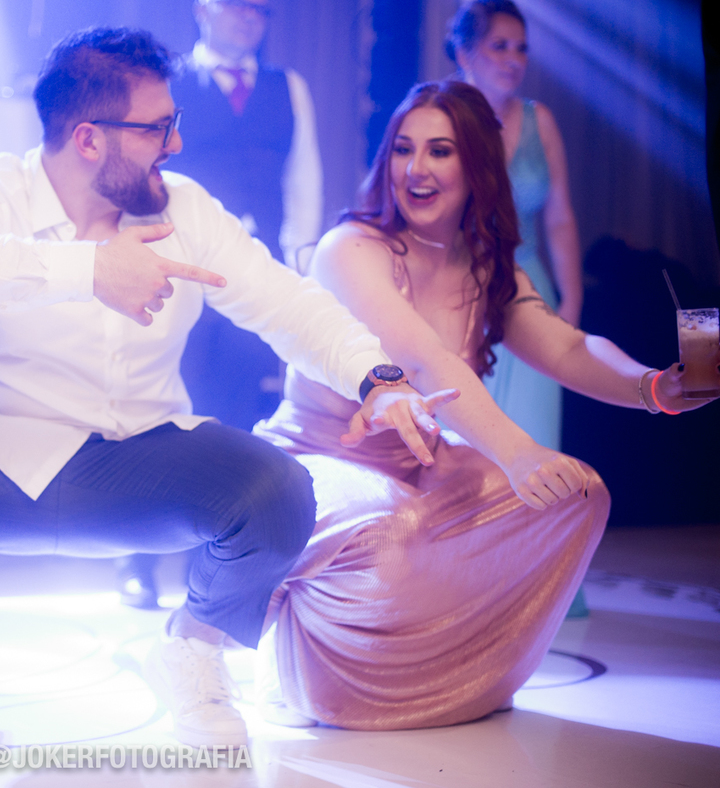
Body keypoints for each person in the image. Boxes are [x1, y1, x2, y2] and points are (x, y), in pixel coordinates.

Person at [0, 27, 452, 746]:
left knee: (281, 494)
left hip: (142, 454)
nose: (175, 143)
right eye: (156, 127)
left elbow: (286, 303)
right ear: (88, 139)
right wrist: (89, 268)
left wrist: (378, 378)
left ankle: (191, 650)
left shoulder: (185, 208)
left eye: (174, 122)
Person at [252, 80, 717, 731]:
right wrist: (517, 451)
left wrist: (655, 387)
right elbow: (420, 360)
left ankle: (469, 676)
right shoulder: (350, 249)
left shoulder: (489, 267)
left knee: (578, 495)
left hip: (421, 464)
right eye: (404, 149)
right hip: (318, 458)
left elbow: (569, 347)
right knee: (392, 530)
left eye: (440, 151)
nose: (416, 168)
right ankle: (307, 669)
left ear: (477, 166)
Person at [173, 0, 324, 433]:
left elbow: (304, 178)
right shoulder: (170, 81)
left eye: (259, 9)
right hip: (185, 263)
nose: (248, 17)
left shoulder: (288, 86)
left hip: (260, 260)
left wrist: (300, 259)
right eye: (234, 4)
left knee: (244, 391)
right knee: (185, 385)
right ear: (202, 11)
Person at [446, 0, 582, 452]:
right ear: (465, 53)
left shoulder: (539, 120)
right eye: (500, 46)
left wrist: (572, 302)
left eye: (521, 48)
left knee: (533, 438)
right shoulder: (441, 118)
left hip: (532, 289)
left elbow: (559, 218)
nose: (514, 59)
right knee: (463, 444)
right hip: (458, 288)